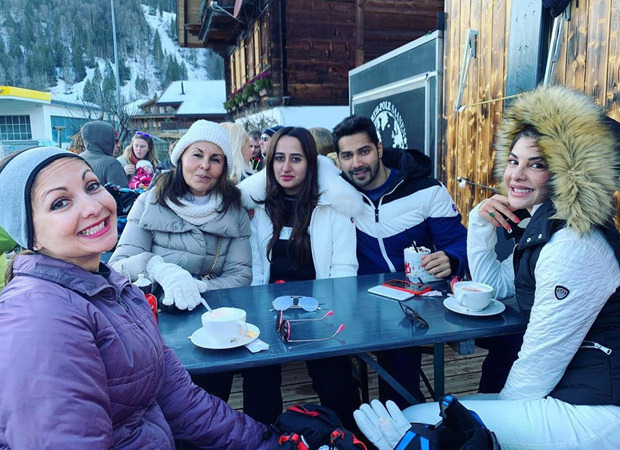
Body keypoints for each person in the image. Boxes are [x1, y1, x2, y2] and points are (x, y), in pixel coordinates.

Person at [355, 85, 620, 449]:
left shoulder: (573, 245)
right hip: (571, 392)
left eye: (537, 164)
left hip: (596, 412)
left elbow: (535, 370)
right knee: (426, 415)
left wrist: (486, 436)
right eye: (513, 161)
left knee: (414, 422)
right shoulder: (552, 230)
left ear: (571, 173)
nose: (516, 175)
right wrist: (479, 223)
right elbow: (493, 285)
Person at [0, 146, 277, 449]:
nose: (92, 206)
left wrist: (269, 442)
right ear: (31, 234)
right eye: (60, 203)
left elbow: (179, 400)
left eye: (92, 186)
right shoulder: (40, 317)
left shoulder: (118, 291)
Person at [108, 120, 253, 418]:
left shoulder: (234, 209)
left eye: (215, 159)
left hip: (212, 323)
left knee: (211, 406)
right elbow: (118, 268)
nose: (204, 166)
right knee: (167, 412)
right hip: (157, 326)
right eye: (197, 155)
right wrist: (157, 268)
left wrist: (201, 287)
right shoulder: (149, 201)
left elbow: (241, 275)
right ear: (181, 157)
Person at [332, 115, 468, 406]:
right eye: (347, 155)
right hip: (360, 303)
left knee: (397, 358)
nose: (356, 163)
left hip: (419, 300)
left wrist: (452, 258)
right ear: (338, 159)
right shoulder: (337, 195)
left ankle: (404, 422)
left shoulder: (425, 189)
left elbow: (459, 241)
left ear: (379, 148)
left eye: (364, 151)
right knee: (331, 363)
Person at [238, 126, 364, 429]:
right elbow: (255, 268)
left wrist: (331, 318)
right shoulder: (256, 205)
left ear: (310, 163)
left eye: (296, 159)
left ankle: (348, 438)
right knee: (259, 377)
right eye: (279, 158)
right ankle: (264, 440)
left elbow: (344, 269)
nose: (286, 167)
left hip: (321, 308)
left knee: (336, 378)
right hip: (267, 309)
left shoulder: (333, 204)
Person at [80, 120, 128, 187]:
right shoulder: (112, 165)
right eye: (115, 141)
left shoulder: (78, 159)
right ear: (107, 141)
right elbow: (124, 196)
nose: (118, 145)